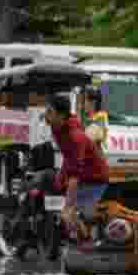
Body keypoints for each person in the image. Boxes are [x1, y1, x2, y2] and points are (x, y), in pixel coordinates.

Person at [45, 93, 109, 245]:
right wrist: (60, 179)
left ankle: (87, 242)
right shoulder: (57, 127)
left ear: (60, 115)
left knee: (71, 214)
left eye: (49, 112)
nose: (45, 116)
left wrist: (68, 207)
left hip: (94, 179)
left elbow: (75, 174)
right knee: (67, 211)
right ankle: (80, 239)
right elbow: (68, 158)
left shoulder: (75, 136)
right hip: (81, 176)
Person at [81, 85, 109, 153]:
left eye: (84, 101)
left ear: (93, 102)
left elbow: (85, 140)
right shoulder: (87, 118)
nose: (82, 105)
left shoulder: (100, 119)